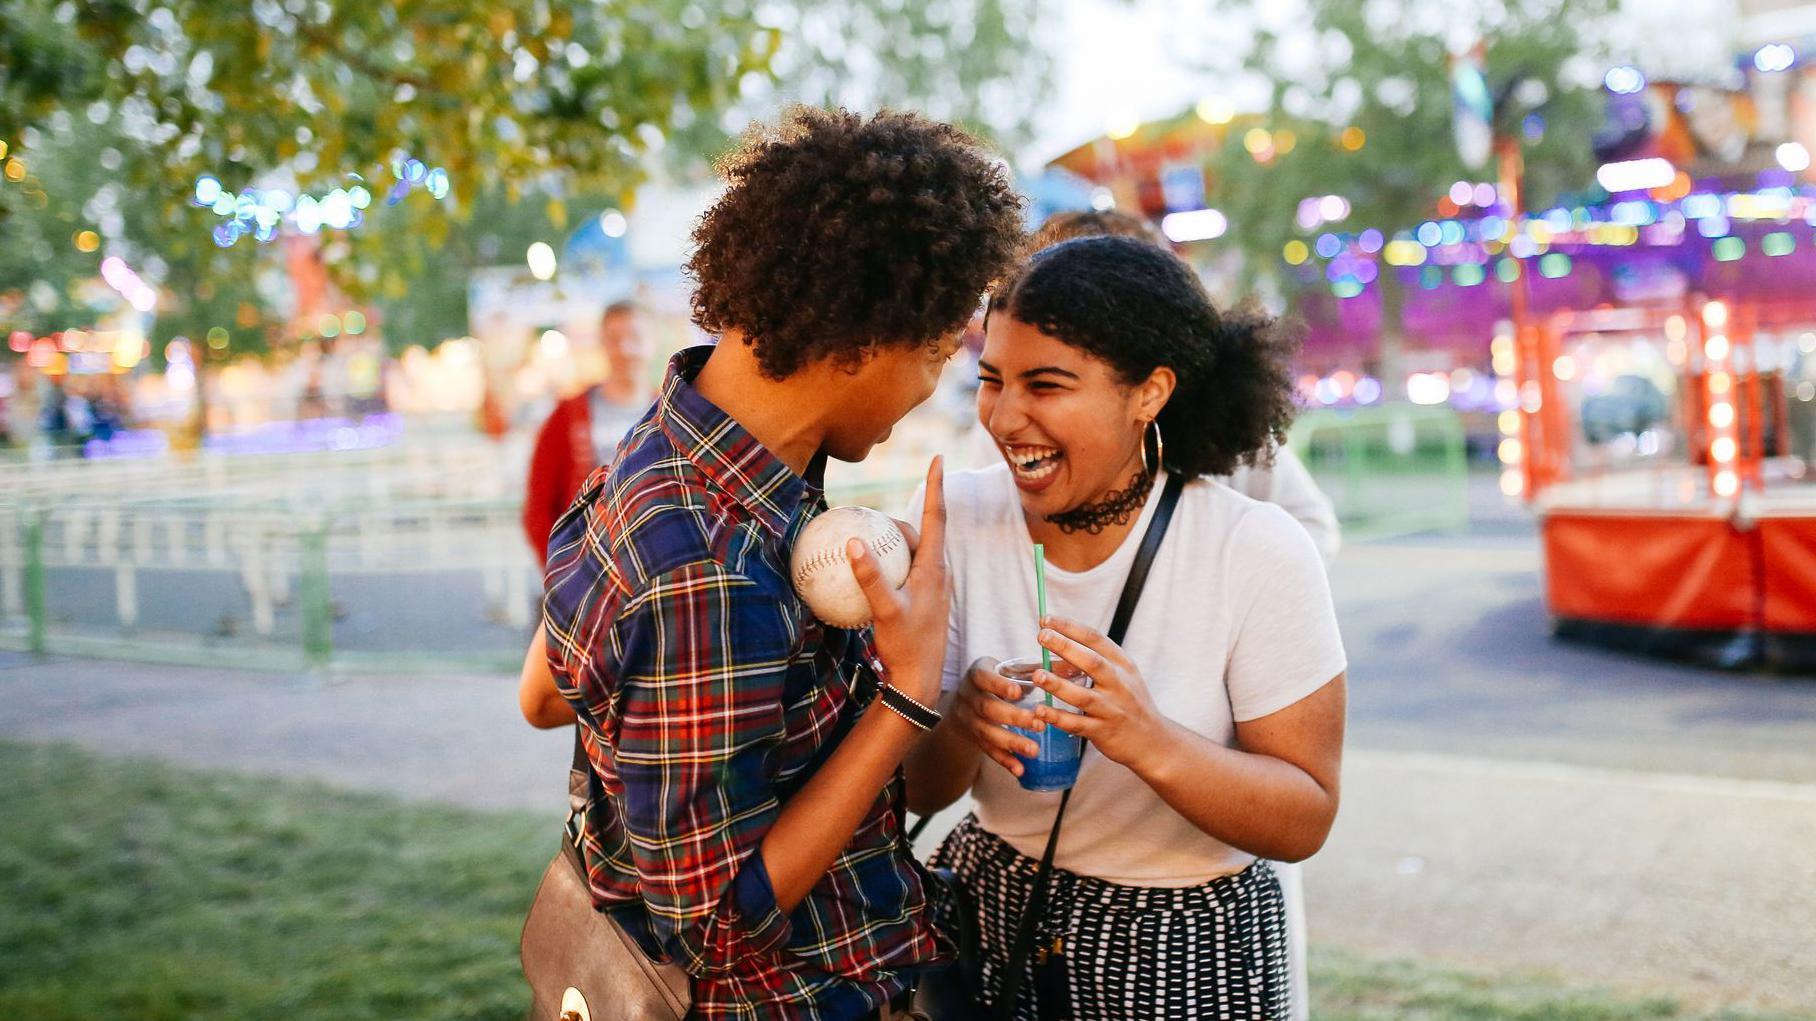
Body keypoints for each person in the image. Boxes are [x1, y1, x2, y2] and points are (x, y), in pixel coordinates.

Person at [520, 106, 1025, 1020]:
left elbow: (543, 688)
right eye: (940, 349)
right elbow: (712, 927)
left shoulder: (677, 435)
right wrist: (905, 695)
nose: (931, 386)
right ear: (867, 335)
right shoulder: (707, 563)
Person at [902, 235, 1348, 1020]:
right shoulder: (952, 523)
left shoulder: (1254, 549)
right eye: (993, 380)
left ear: (1148, 392)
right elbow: (919, 789)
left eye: (1046, 384)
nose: (1006, 417)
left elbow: (1304, 813)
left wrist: (1146, 736)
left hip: (1192, 945)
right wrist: (963, 721)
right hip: (995, 914)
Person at [521, 300, 654, 566]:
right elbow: (538, 507)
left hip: (655, 571)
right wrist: (560, 575)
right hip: (589, 571)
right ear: (602, 343)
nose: (626, 349)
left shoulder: (671, 413)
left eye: (635, 337)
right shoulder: (568, 416)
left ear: (653, 339)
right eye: (615, 339)